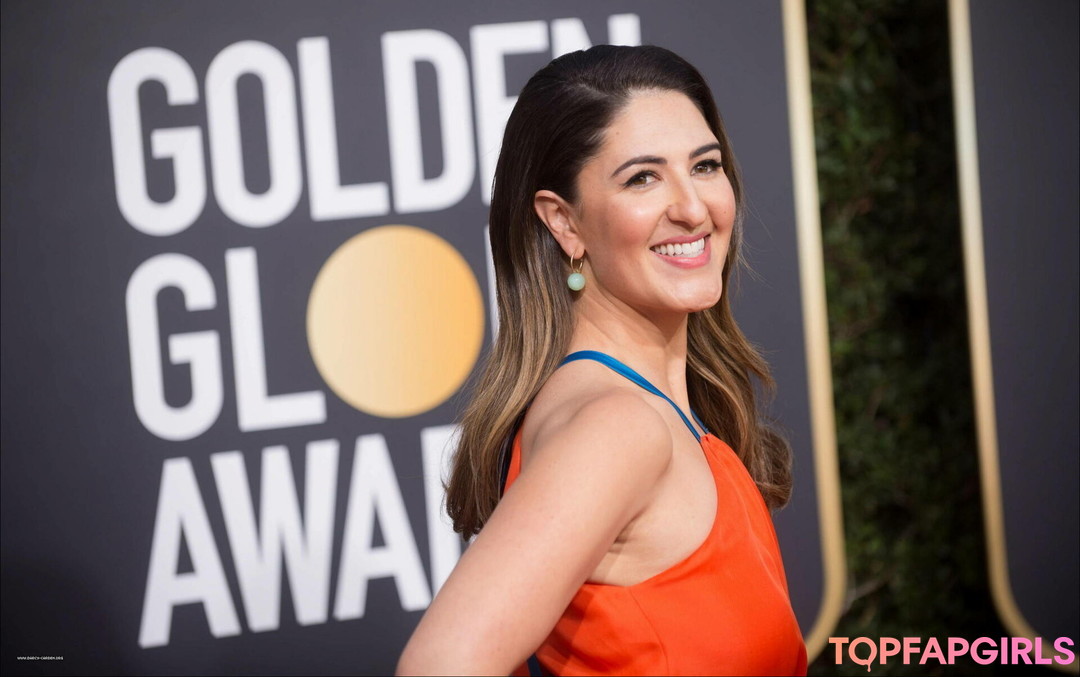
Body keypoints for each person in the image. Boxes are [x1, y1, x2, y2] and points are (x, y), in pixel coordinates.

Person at [396, 44, 807, 676]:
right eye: (642, 178)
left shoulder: (644, 411)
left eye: (705, 165)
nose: (693, 208)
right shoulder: (617, 428)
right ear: (564, 223)